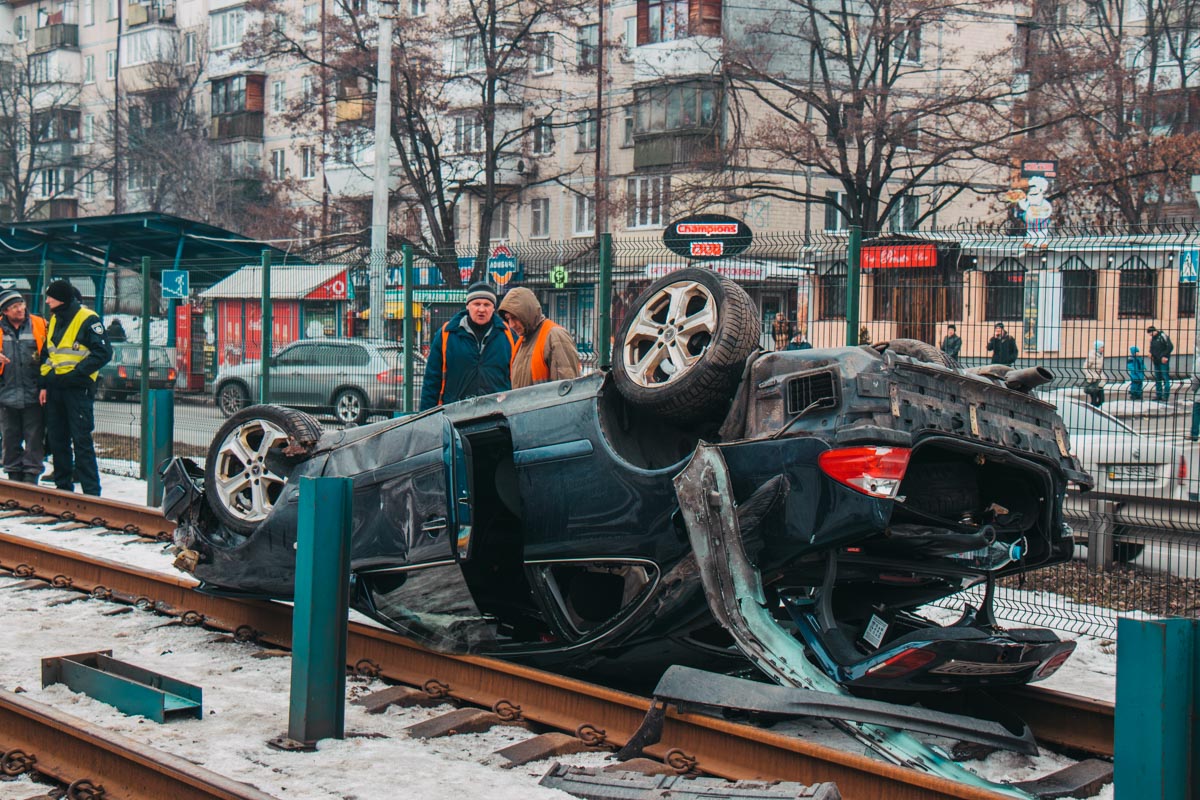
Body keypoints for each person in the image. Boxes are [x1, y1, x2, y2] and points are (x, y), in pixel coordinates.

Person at [37, 279, 113, 496]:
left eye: (50, 296)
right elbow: (47, 354)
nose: (47, 300)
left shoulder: (88, 319)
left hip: (78, 389)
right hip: (56, 389)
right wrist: (45, 383)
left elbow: (104, 353)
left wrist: (76, 374)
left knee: (81, 440)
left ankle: (91, 493)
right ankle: (63, 489)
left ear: (60, 298)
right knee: (57, 439)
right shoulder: (54, 320)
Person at [419, 282, 516, 411]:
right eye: (477, 304)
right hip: (455, 414)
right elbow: (432, 380)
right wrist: (426, 417)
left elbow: (517, 378)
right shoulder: (447, 334)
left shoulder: (508, 335)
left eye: (487, 304)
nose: (481, 309)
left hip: (498, 414)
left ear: (494, 308)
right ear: (467, 306)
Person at [0, 290, 47, 484]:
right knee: (10, 437)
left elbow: (50, 355)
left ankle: (30, 477)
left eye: (21, 304)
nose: (20, 309)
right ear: (4, 311)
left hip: (33, 393)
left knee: (34, 437)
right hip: (5, 394)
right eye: (14, 307)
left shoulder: (40, 324)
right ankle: (13, 476)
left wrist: (44, 386)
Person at [497, 287, 582, 389]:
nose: (511, 325)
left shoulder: (554, 336)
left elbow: (567, 389)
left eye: (514, 317)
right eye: (508, 319)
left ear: (527, 313)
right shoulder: (522, 341)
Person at [1148, 325, 1173, 402]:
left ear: (1154, 331)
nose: (1150, 335)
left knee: (1165, 377)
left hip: (1163, 360)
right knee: (1158, 378)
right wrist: (1150, 353)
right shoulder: (1153, 339)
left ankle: (1165, 395)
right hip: (1156, 360)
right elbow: (1152, 348)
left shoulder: (1163, 336)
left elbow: (1170, 347)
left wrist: (1164, 356)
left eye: (1151, 333)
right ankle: (1158, 395)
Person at [1083, 340, 1105, 407]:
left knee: (1102, 400)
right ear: (1098, 348)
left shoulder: (1100, 355)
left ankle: (1095, 410)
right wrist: (1090, 376)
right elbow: (1085, 367)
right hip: (1093, 380)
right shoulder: (1092, 355)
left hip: (1099, 380)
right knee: (1094, 400)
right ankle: (1092, 411)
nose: (1103, 349)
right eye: (1102, 347)